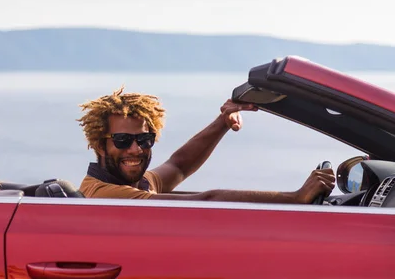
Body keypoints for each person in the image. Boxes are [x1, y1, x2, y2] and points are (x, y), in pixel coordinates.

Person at [77, 87, 335, 203]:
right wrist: (295, 198)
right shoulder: (106, 195)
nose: (135, 149)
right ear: (100, 145)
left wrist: (222, 122)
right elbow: (206, 200)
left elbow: (179, 165)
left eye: (144, 139)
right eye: (123, 140)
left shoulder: (134, 184)